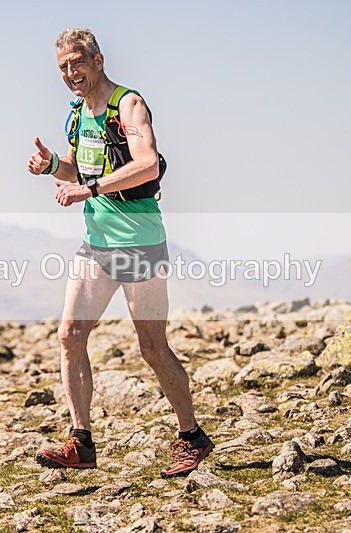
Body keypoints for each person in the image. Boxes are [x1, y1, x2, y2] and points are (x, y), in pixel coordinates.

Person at [26, 28, 214, 478]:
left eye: (77, 63)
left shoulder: (128, 105)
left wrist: (89, 189)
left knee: (152, 346)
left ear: (98, 60)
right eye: (63, 67)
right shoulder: (77, 114)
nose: (70, 73)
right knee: (70, 335)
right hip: (97, 244)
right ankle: (81, 443)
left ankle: (192, 437)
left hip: (139, 242)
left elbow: (146, 164)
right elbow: (81, 168)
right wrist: (52, 166)